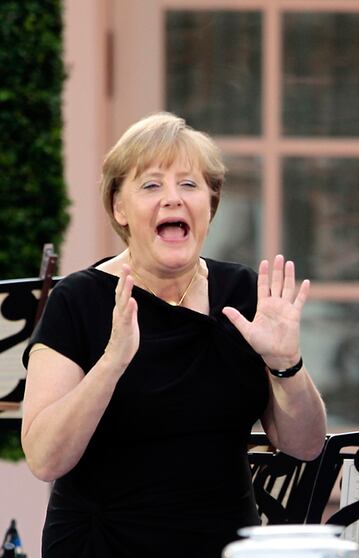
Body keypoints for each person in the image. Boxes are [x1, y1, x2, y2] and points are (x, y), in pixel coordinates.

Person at [20, 112, 327, 557]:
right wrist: (112, 362)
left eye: (189, 184)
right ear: (119, 208)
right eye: (151, 186)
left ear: (210, 203)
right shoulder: (79, 300)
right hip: (104, 545)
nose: (173, 199)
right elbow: (46, 459)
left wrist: (286, 364)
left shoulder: (243, 294)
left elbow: (306, 445)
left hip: (223, 543)